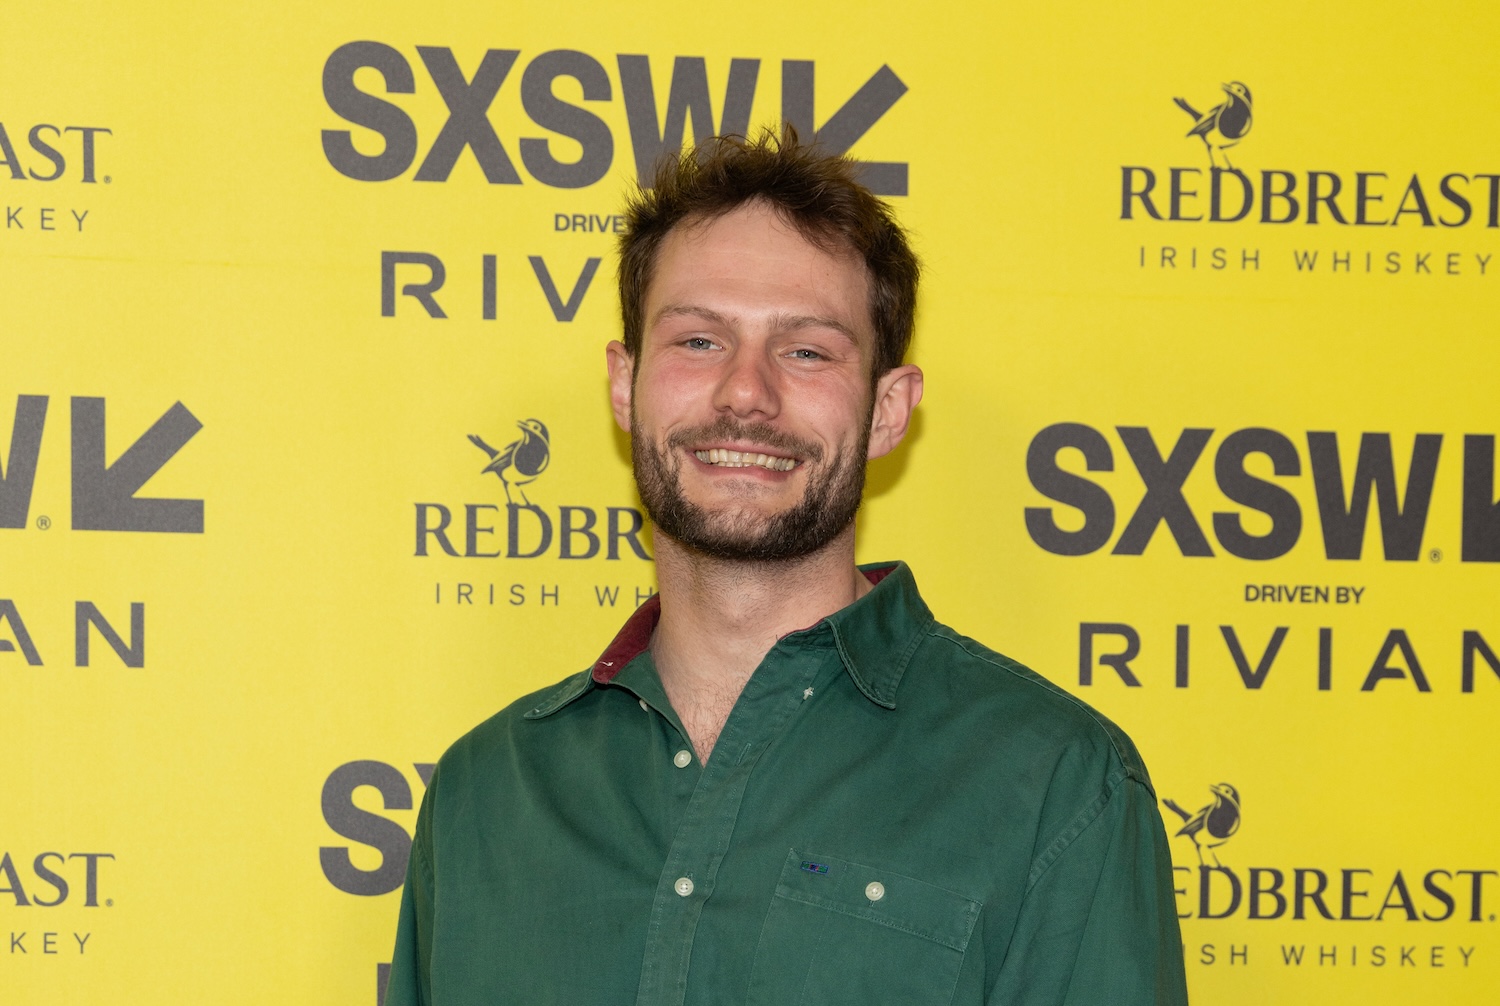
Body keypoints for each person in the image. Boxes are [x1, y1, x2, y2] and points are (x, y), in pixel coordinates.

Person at [386, 130, 1189, 1006]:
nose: (745, 392)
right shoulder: (483, 797)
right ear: (625, 384)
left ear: (889, 409)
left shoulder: (1055, 785)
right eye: (699, 341)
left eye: (806, 351)